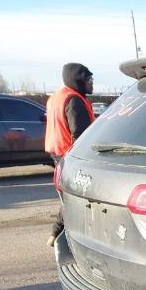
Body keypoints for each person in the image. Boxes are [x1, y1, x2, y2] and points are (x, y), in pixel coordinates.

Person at [45, 63, 95, 247]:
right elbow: (80, 135)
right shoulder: (74, 100)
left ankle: (56, 234)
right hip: (70, 156)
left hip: (58, 154)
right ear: (79, 80)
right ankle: (58, 235)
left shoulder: (56, 97)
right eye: (89, 80)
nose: (92, 84)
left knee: (67, 196)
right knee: (71, 199)